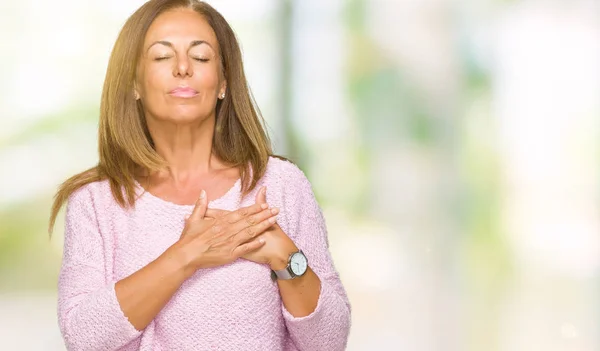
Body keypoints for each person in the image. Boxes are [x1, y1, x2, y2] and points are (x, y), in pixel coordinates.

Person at [48, 0, 351, 350]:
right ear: (133, 82)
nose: (182, 68)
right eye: (162, 57)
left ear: (223, 81)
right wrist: (186, 255)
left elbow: (330, 341)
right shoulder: (97, 201)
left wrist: (284, 256)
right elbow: (83, 338)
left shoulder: (281, 184)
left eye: (202, 57)